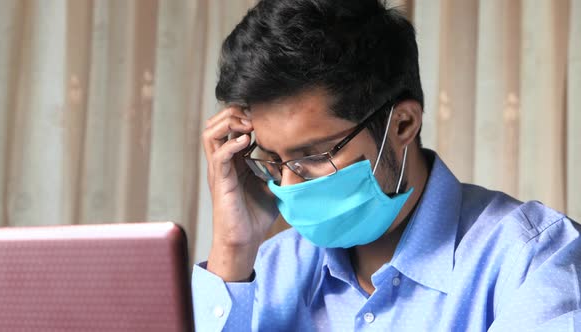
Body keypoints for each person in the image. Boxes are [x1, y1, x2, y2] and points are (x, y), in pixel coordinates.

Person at [193, 0, 581, 330]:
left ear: (403, 124)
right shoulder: (265, 271)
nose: (290, 186)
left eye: (313, 154)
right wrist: (232, 249)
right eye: (275, 160)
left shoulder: (534, 258)